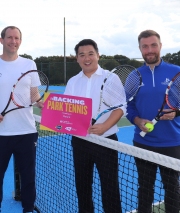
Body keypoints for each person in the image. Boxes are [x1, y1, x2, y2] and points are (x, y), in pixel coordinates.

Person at [126, 30, 180, 213]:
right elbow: (127, 105)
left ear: (160, 46)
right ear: (140, 49)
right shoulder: (134, 76)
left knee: (172, 189)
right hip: (142, 143)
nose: (150, 50)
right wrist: (137, 120)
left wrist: (177, 112)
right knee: (144, 189)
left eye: (153, 45)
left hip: (171, 143)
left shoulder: (176, 72)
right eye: (145, 46)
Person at [0, 26, 42, 213]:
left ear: (20, 41)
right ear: (1, 40)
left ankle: (28, 209)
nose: (13, 41)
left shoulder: (30, 64)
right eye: (9, 37)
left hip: (27, 132)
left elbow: (34, 94)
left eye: (17, 38)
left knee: (28, 177)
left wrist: (40, 103)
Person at [64, 39, 125, 213]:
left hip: (106, 142)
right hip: (80, 143)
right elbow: (68, 110)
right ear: (77, 58)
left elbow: (120, 107)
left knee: (110, 190)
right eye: (82, 55)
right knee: (82, 189)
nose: (87, 58)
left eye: (90, 54)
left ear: (98, 56)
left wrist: (105, 126)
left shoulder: (111, 78)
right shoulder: (73, 82)